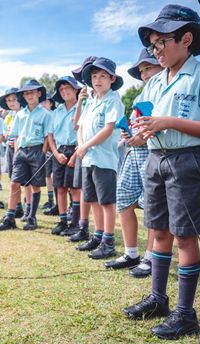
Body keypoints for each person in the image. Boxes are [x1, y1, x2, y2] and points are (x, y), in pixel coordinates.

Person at [123, 4, 200, 340]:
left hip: (187, 160)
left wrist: (169, 122)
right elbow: (144, 119)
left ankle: (185, 314)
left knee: (184, 236)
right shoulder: (155, 82)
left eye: (161, 43)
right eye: (152, 46)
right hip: (155, 158)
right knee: (159, 230)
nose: (156, 51)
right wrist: (139, 130)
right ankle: (158, 299)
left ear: (186, 38)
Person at [104, 49, 163, 277]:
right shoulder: (140, 95)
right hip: (134, 153)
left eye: (149, 67)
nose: (145, 73)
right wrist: (129, 135)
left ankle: (150, 257)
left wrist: (142, 135)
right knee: (124, 199)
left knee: (151, 207)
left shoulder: (165, 91)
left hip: (154, 153)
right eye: (142, 70)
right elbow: (135, 124)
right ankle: (131, 253)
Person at [75, 57, 125, 259]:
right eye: (94, 76)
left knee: (106, 202)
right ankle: (97, 236)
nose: (97, 80)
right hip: (88, 158)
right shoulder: (91, 101)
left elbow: (109, 128)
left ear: (112, 79)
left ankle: (109, 241)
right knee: (93, 199)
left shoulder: (114, 100)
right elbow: (80, 126)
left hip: (104, 159)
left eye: (103, 76)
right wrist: (81, 144)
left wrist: (85, 145)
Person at [0, 79, 51, 231]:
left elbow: (47, 137)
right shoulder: (20, 114)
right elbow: (15, 134)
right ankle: (10, 217)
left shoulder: (45, 114)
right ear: (23, 96)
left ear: (39, 93)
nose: (29, 95)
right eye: (26, 93)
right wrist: (18, 150)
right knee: (14, 183)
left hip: (37, 150)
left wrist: (43, 153)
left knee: (35, 186)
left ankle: (31, 217)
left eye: (32, 92)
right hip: (21, 151)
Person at [47, 76, 82, 236]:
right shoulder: (56, 111)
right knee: (60, 188)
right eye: (61, 89)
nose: (65, 91)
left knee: (74, 189)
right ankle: (62, 221)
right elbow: (50, 136)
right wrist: (55, 153)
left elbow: (84, 133)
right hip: (59, 151)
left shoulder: (83, 107)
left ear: (75, 89)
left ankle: (75, 223)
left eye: (68, 88)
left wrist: (75, 155)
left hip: (76, 149)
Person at [67, 56, 97, 242]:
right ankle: (82, 227)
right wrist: (79, 101)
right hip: (83, 151)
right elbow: (76, 125)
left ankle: (100, 233)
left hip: (96, 151)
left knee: (97, 196)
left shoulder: (105, 96)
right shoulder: (87, 97)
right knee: (84, 190)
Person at [0, 87, 28, 219]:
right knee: (13, 179)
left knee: (26, 181)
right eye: (8, 100)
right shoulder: (9, 116)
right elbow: (5, 132)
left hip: (22, 149)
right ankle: (17, 207)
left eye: (14, 99)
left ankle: (29, 207)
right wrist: (8, 135)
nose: (11, 103)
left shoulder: (24, 113)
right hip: (10, 150)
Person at [41, 94, 58, 216]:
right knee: (47, 175)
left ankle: (60, 203)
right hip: (46, 149)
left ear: (51, 103)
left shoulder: (54, 114)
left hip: (56, 148)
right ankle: (50, 200)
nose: (43, 104)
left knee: (56, 176)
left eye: (46, 102)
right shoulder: (41, 115)